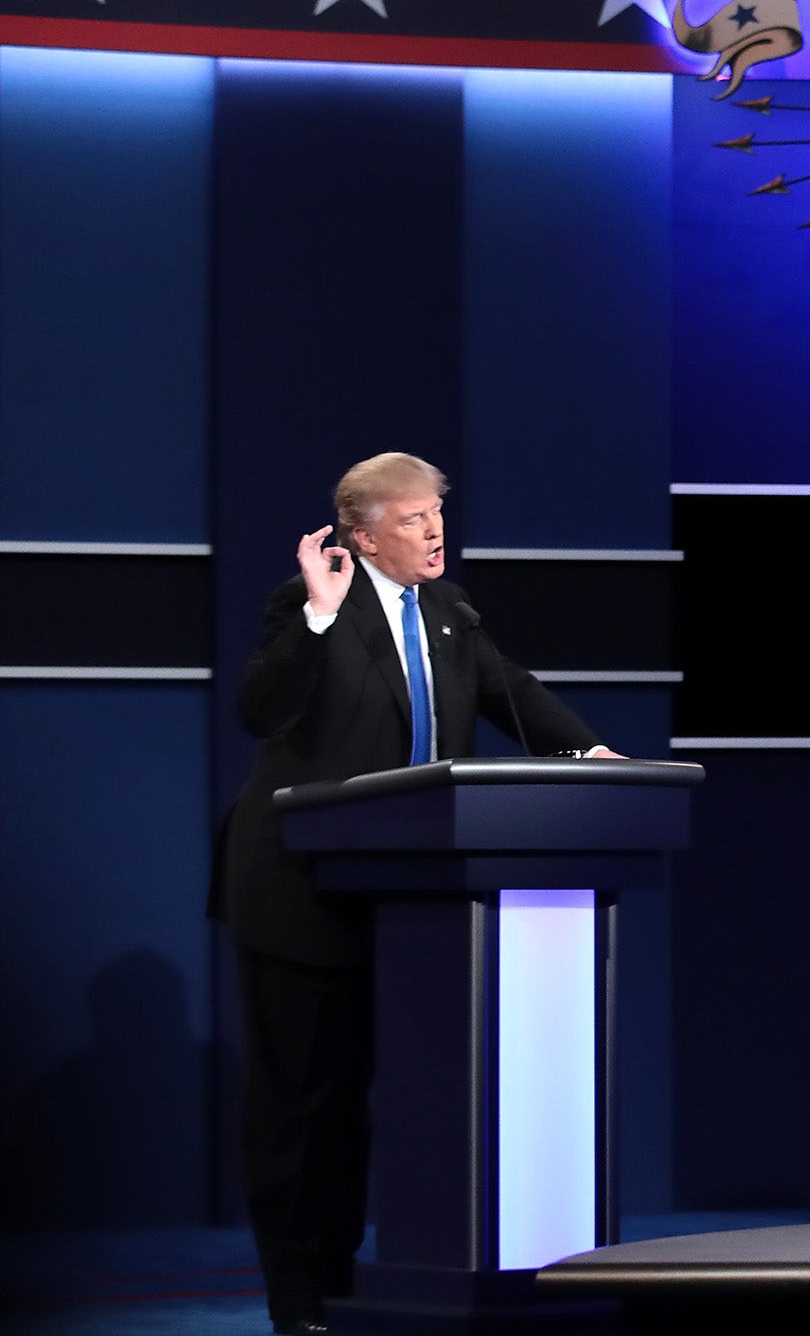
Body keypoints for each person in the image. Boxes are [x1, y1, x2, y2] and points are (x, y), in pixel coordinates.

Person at [209, 453, 617, 1334]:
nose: (433, 531)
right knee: (305, 1111)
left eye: (435, 513)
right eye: (410, 519)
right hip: (301, 894)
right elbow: (260, 707)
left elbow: (517, 695)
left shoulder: (450, 611)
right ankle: (301, 1299)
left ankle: (359, 1280)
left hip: (411, 901)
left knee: (383, 1105)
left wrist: (590, 755)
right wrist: (317, 615)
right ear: (361, 534)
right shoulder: (312, 604)